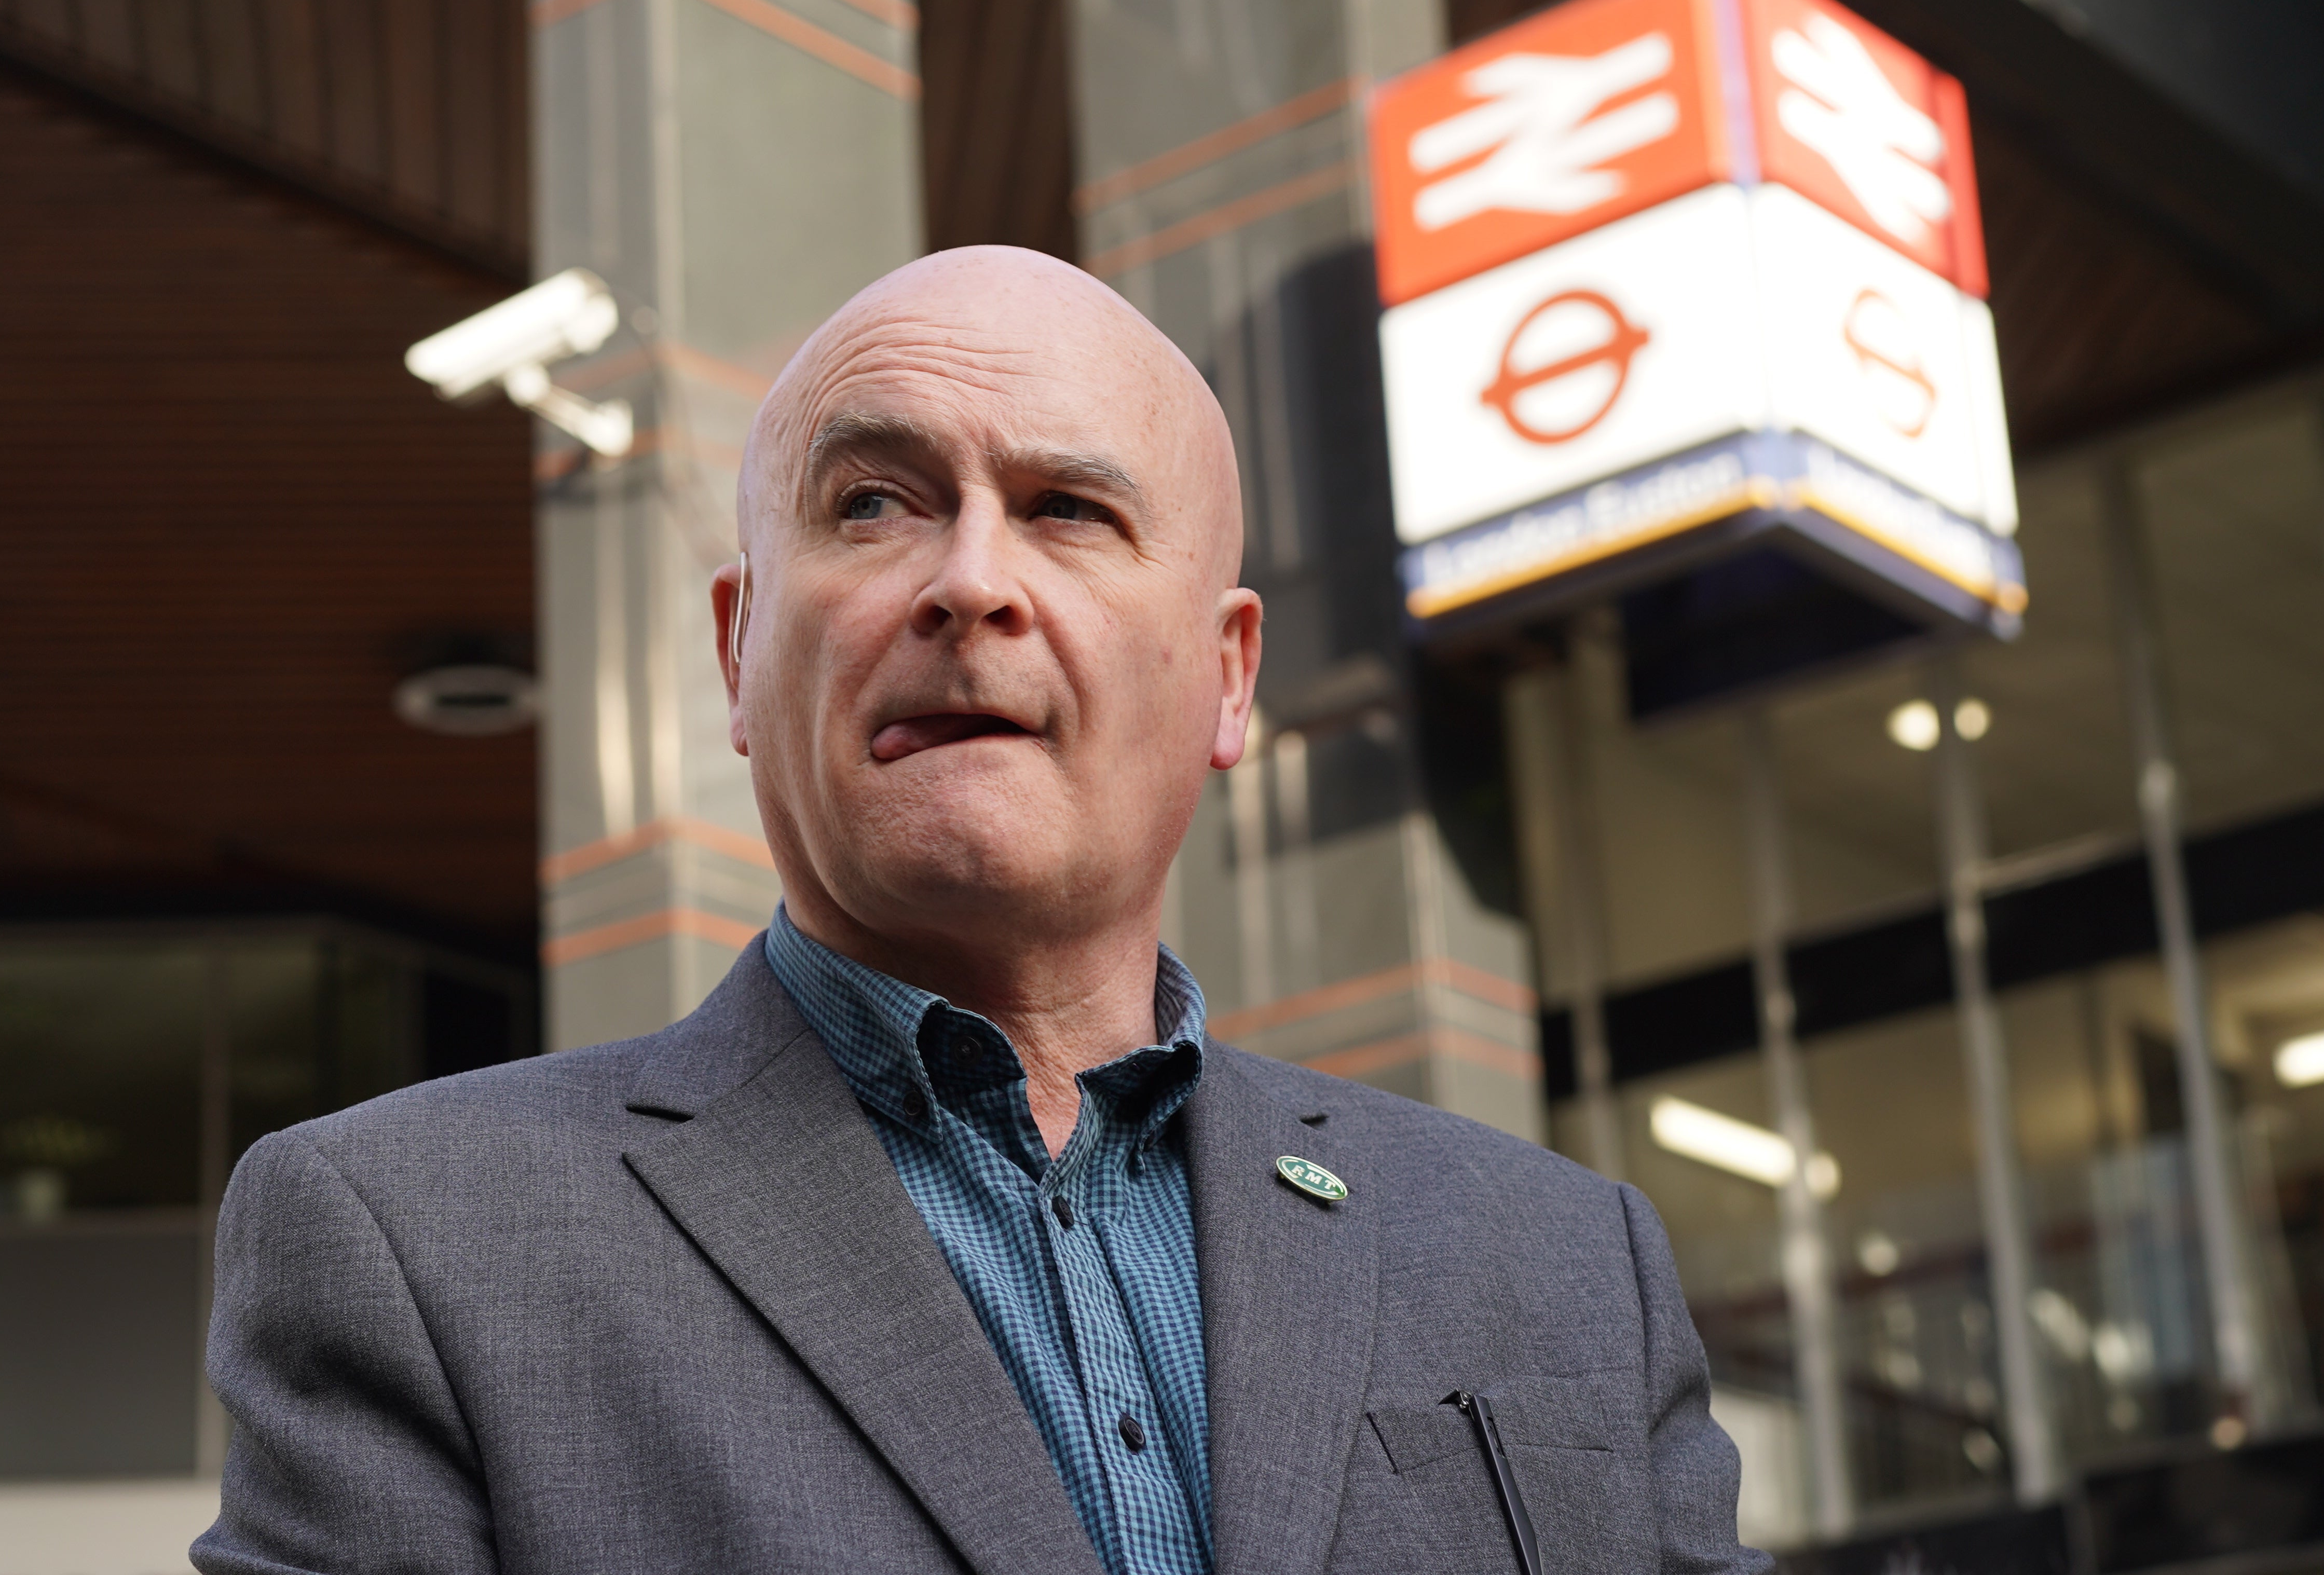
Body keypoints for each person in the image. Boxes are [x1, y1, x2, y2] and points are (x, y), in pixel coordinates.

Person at [195, 247, 1769, 1575]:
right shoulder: (412, 1247)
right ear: (741, 646)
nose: (970, 582)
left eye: (1071, 511)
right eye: (876, 503)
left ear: (1227, 676)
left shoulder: (1565, 1263)